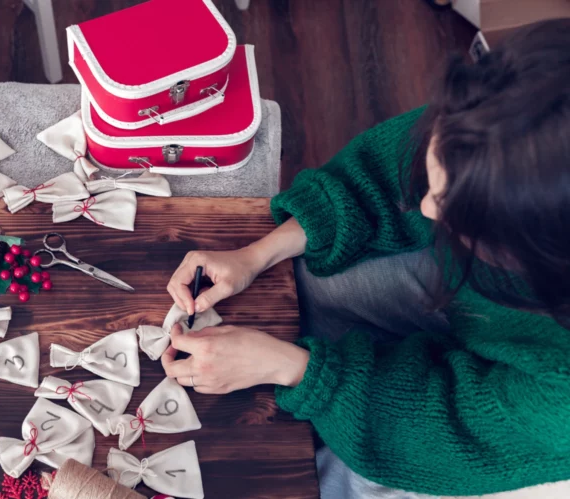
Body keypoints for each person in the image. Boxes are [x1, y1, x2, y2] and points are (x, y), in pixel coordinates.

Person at [162, 19, 570, 499]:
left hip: (509, 431)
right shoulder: (519, 115)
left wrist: (297, 371)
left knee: (356, 481)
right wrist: (257, 253)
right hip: (510, 313)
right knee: (312, 281)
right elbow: (391, 171)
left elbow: (442, 433)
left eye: (455, 207)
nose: (425, 208)